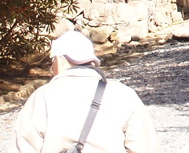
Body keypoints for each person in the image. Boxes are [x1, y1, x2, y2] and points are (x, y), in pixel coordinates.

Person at [13, 30, 159, 153]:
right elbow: (144, 147)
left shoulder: (42, 97)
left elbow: (23, 147)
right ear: (92, 61)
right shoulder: (124, 94)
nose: (51, 69)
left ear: (60, 60)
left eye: (52, 62)